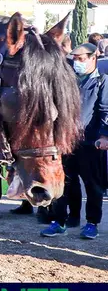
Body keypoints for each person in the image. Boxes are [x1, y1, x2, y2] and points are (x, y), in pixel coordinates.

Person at [41, 43, 108, 239]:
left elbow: (106, 111)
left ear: (93, 58)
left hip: (91, 144)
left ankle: (92, 223)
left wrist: (104, 136)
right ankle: (59, 221)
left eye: (81, 59)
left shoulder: (102, 82)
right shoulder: (69, 81)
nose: (77, 63)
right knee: (63, 183)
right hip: (65, 141)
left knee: (92, 185)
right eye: (75, 59)